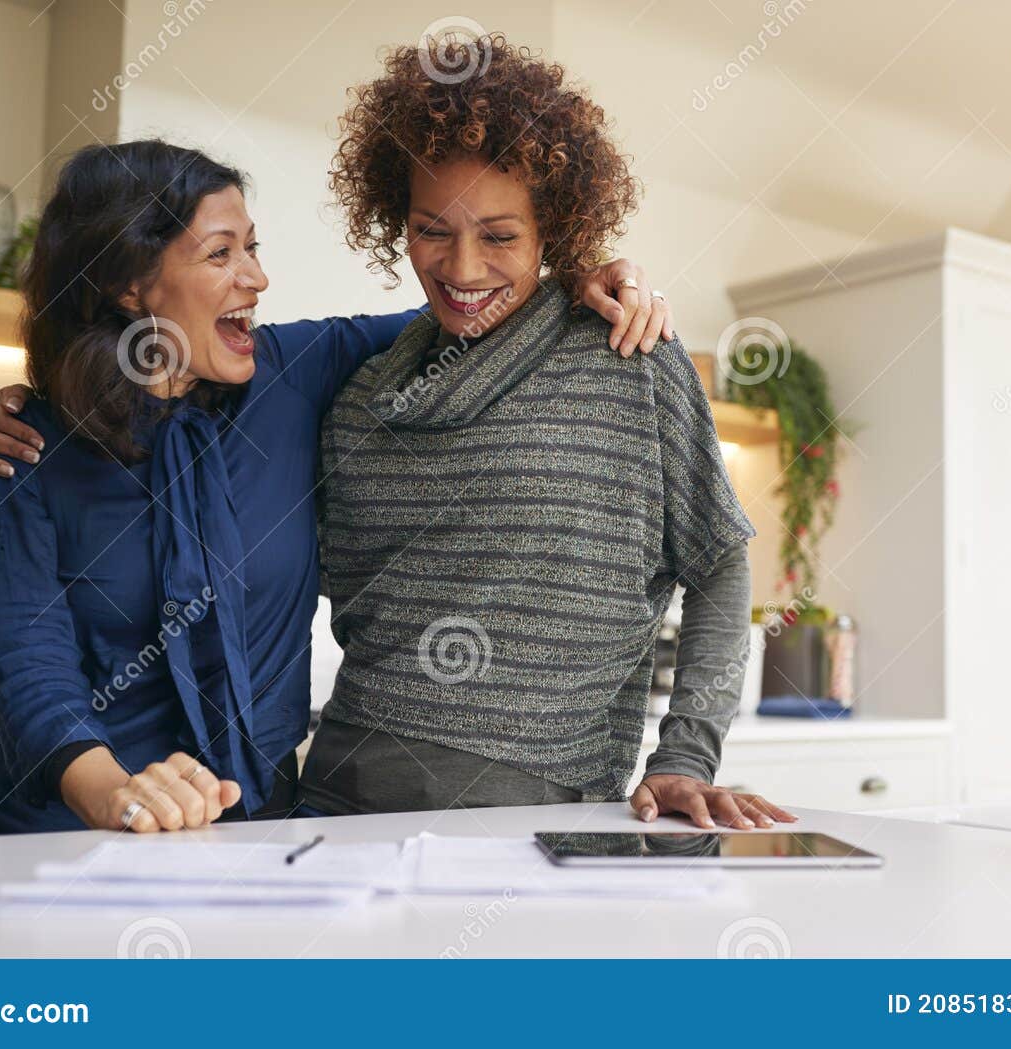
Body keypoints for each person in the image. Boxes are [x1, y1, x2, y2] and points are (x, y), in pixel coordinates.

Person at [0, 138, 668, 835]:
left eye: (252, 248)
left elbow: (473, 309)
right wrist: (113, 792)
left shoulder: (289, 376)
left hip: (251, 832)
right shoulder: (28, 447)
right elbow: (28, 659)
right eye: (220, 253)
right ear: (129, 283)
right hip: (67, 828)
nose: (256, 279)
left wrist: (574, 282)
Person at [297, 35, 795, 830]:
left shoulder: (627, 358)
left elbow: (719, 568)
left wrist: (685, 756)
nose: (461, 268)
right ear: (395, 218)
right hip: (334, 794)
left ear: (555, 232)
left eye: (499, 236)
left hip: (535, 806)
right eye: (432, 230)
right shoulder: (360, 396)